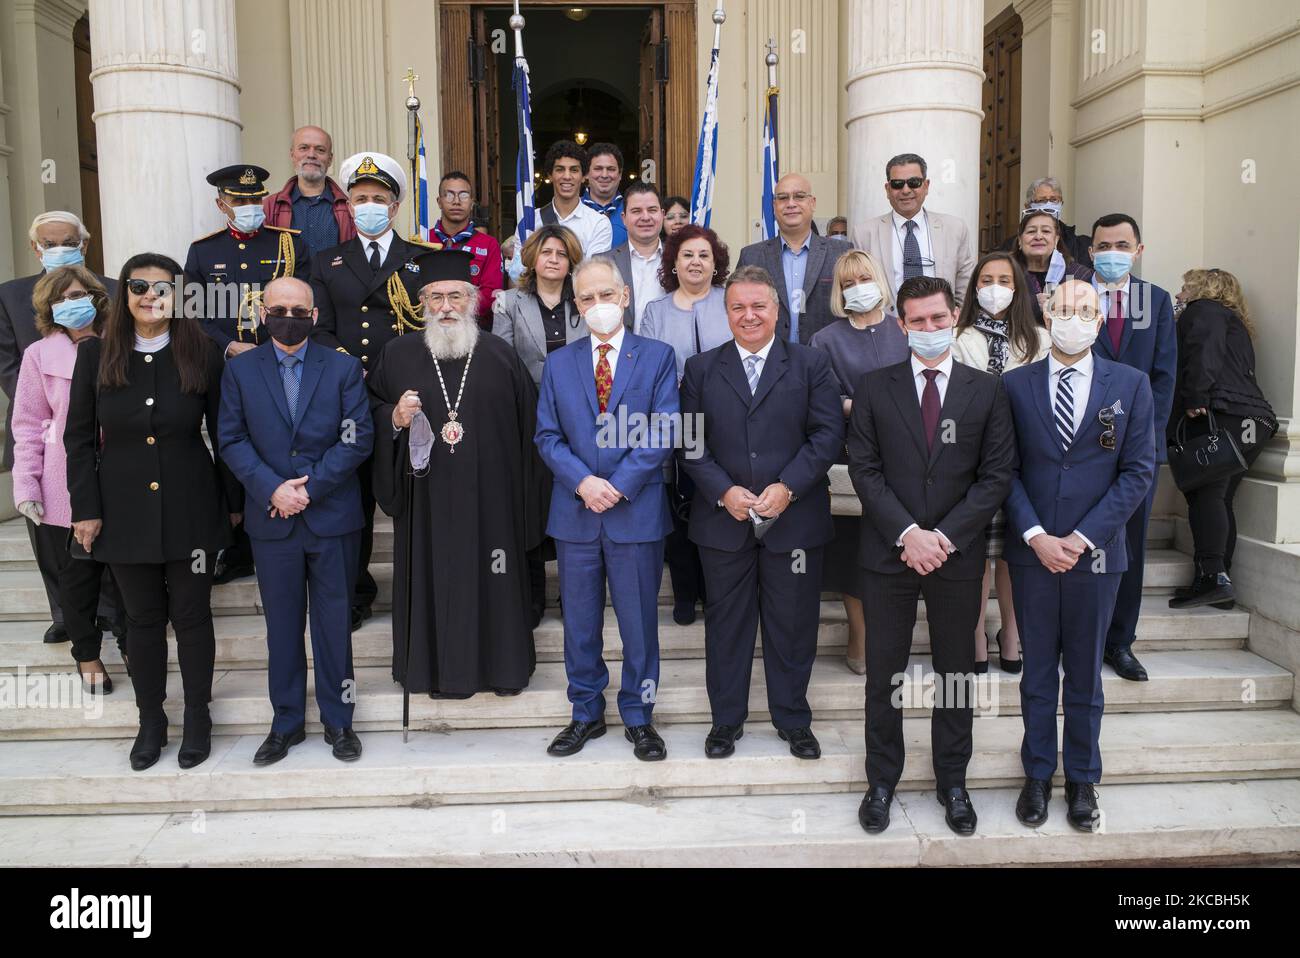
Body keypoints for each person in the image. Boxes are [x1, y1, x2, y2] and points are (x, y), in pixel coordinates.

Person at [847, 275, 1015, 837]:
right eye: (916, 321)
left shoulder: (986, 390)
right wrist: (907, 534)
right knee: (883, 673)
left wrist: (943, 536)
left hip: (956, 556)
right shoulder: (874, 387)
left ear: (954, 318)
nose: (928, 329)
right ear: (901, 325)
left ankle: (953, 781)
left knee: (956, 674)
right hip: (889, 554)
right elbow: (864, 471)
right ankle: (881, 781)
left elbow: (995, 476)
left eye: (937, 319)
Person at [65, 253, 241, 772]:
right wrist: (86, 509)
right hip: (121, 508)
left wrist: (231, 506)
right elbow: (77, 441)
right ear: (124, 293)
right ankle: (151, 720)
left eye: (162, 288)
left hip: (191, 505)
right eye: (138, 286)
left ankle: (198, 718)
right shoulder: (96, 355)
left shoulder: (203, 352)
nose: (149, 295)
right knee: (141, 620)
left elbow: (225, 433)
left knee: (191, 617)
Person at [1002, 280, 1156, 831]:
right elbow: (1006, 470)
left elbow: (1138, 470)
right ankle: (1038, 774)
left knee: (1086, 675)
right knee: (1038, 672)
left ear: (1100, 317)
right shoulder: (1015, 385)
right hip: (1034, 553)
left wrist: (1084, 537)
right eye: (1063, 308)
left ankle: (1083, 779)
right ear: (1046, 312)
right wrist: (1037, 535)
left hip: (1096, 556)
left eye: (1084, 310)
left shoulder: (1131, 384)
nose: (1073, 318)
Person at [679, 265, 843, 761]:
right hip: (722, 522)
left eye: (759, 306)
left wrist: (788, 487)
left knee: (792, 625)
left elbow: (828, 435)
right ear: (726, 313)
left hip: (793, 520)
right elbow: (689, 444)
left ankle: (792, 719)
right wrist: (723, 491)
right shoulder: (701, 369)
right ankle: (725, 722)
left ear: (778, 311)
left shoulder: (812, 364)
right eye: (738, 307)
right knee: (726, 626)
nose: (748, 316)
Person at [369, 250, 545, 699]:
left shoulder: (502, 357)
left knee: (496, 577)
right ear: (422, 302)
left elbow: (532, 434)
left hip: (492, 503)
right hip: (425, 501)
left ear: (474, 300)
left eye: (456, 296)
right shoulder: (397, 354)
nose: (446, 306)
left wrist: (525, 505)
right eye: (436, 298)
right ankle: (428, 671)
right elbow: (367, 413)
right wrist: (394, 417)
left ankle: (501, 670)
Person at [217, 276, 374, 765]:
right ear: (263, 314)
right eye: (279, 308)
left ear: (314, 315)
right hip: (272, 519)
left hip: (331, 518)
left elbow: (356, 438)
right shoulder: (241, 371)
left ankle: (339, 721)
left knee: (333, 627)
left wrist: (306, 489)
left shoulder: (344, 367)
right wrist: (273, 489)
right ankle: (285, 723)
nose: (290, 317)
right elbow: (232, 439)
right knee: (282, 629)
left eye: (299, 309)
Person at [535, 257, 679, 760]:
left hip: (634, 511)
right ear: (577, 305)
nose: (598, 305)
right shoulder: (559, 363)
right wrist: (584, 483)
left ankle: (640, 717)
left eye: (605, 295)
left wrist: (615, 486)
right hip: (576, 514)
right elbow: (547, 437)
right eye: (586, 298)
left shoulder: (657, 356)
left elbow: (663, 429)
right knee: (579, 621)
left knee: (639, 621)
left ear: (624, 296)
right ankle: (585, 713)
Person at [309, 150, 440, 632]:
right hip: (349, 399)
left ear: (395, 205)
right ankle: (353, 592)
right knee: (353, 500)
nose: (368, 205)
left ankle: (422, 586)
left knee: (414, 490)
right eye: (359, 198)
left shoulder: (421, 259)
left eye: (378, 198)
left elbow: (436, 328)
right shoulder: (325, 261)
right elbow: (318, 329)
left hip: (410, 397)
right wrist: (349, 374)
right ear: (348, 205)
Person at [184, 162, 311, 585]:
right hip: (229, 368)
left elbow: (304, 300)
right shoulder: (204, 251)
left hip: (281, 361)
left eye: (255, 200)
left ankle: (286, 519)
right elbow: (195, 311)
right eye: (239, 201)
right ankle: (238, 545)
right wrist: (228, 345)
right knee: (231, 448)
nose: (249, 207)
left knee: (281, 443)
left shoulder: (290, 245)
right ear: (222, 204)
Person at [0, 212, 119, 643]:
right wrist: (59, 397)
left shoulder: (114, 288)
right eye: (49, 243)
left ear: (83, 244)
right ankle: (65, 613)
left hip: (106, 440)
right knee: (51, 541)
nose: (58, 248)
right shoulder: (10, 294)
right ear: (35, 248)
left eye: (67, 241)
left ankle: (107, 610)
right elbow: (9, 363)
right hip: (45, 432)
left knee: (103, 530)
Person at [12, 265, 125, 692]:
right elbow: (27, 424)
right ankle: (88, 655)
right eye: (60, 299)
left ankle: (133, 643)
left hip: (121, 470)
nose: (71, 304)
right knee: (77, 577)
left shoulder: (121, 345)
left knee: (128, 570)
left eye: (79, 295)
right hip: (65, 477)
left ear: (97, 299)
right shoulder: (39, 355)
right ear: (47, 308)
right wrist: (26, 484)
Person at [808, 250, 908, 674]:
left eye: (863, 278)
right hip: (852, 458)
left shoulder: (904, 328)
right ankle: (859, 633)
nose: (857, 288)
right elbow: (827, 403)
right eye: (847, 283)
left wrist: (867, 404)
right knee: (852, 553)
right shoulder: (825, 340)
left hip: (907, 458)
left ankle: (893, 637)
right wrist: (877, 405)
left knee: (896, 545)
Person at [952, 252, 1051, 674]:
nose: (996, 287)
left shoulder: (1040, 339)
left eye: (1005, 280)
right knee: (976, 554)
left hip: (1025, 463)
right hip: (972, 462)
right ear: (975, 287)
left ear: (1019, 288)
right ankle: (974, 632)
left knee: (1013, 553)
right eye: (987, 279)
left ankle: (1011, 631)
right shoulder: (959, 337)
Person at [1089, 212, 1176, 682]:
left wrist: (1144, 441)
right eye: (1104, 245)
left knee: (1130, 548)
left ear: (1138, 251)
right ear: (1090, 251)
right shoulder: (1074, 299)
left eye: (1122, 245)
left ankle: (1120, 641)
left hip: (1136, 451)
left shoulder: (1156, 301)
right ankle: (1079, 635)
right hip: (1081, 450)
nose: (1112, 253)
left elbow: (1164, 377)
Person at [492, 223, 587, 624]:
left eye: (561, 254)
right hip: (526, 418)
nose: (553, 259)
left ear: (571, 262)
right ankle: (532, 597)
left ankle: (575, 596)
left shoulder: (584, 302)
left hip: (579, 419)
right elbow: (502, 360)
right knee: (528, 506)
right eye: (547, 252)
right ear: (532, 257)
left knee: (574, 504)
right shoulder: (508, 302)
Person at [1167, 268, 1277, 610]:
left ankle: (1212, 577)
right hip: (1254, 419)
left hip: (1219, 412)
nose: (1180, 292)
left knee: (1206, 496)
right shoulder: (1234, 320)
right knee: (1221, 498)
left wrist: (1195, 397)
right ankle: (1219, 581)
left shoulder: (1204, 311)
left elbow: (1203, 353)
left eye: (1186, 286)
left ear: (1205, 287)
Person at [640, 224, 733, 625]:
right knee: (679, 512)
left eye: (704, 256)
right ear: (673, 263)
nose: (696, 262)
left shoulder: (731, 303)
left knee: (718, 507)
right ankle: (683, 593)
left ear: (716, 265)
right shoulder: (655, 312)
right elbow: (645, 371)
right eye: (687, 255)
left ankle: (715, 593)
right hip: (673, 426)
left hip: (727, 426)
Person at [851, 153, 976, 308]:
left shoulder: (955, 228)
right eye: (897, 184)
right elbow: (861, 289)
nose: (905, 190)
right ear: (888, 189)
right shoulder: (864, 234)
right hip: (888, 327)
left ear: (926, 186)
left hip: (941, 327)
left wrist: (954, 322)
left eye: (914, 183)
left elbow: (965, 283)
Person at [736, 173, 844, 344]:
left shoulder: (841, 252)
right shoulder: (751, 256)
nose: (791, 203)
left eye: (799, 196)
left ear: (812, 203)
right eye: (783, 198)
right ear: (774, 205)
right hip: (769, 360)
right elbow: (738, 310)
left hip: (825, 360)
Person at [262, 125, 357, 259]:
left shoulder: (350, 207)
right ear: (292, 155)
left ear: (330, 159)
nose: (311, 155)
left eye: (320, 150)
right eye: (304, 148)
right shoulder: (269, 207)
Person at [432, 170, 504, 329]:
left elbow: (491, 293)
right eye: (449, 195)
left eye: (463, 195)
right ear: (439, 201)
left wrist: (453, 307)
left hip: (473, 329)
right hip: (429, 327)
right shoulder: (424, 240)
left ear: (471, 202)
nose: (456, 201)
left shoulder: (489, 245)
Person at [1010, 210, 1093, 324]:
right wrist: (1032, 303)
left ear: (1056, 240)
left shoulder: (1078, 275)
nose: (1038, 236)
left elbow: (1089, 315)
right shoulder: (1007, 273)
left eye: (1046, 231)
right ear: (1020, 240)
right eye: (1031, 231)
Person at [532, 140, 612, 257]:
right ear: (550, 175)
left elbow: (594, 272)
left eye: (574, 170)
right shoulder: (531, 220)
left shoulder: (598, 224)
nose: (567, 176)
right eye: (560, 169)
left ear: (584, 176)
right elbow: (520, 271)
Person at [604, 181, 666, 332]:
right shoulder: (604, 263)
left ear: (662, 215)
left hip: (671, 351)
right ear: (624, 218)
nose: (645, 217)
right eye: (636, 211)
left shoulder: (680, 259)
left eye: (652, 210)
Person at [998, 177, 1092, 266]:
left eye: (1054, 199)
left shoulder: (1080, 244)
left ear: (1061, 203)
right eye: (1041, 200)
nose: (1048, 204)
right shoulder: (1010, 246)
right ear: (1028, 206)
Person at [581, 142, 628, 249]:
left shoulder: (633, 211)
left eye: (611, 169)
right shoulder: (574, 210)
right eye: (598, 169)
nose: (604, 175)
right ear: (587, 174)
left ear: (620, 174)